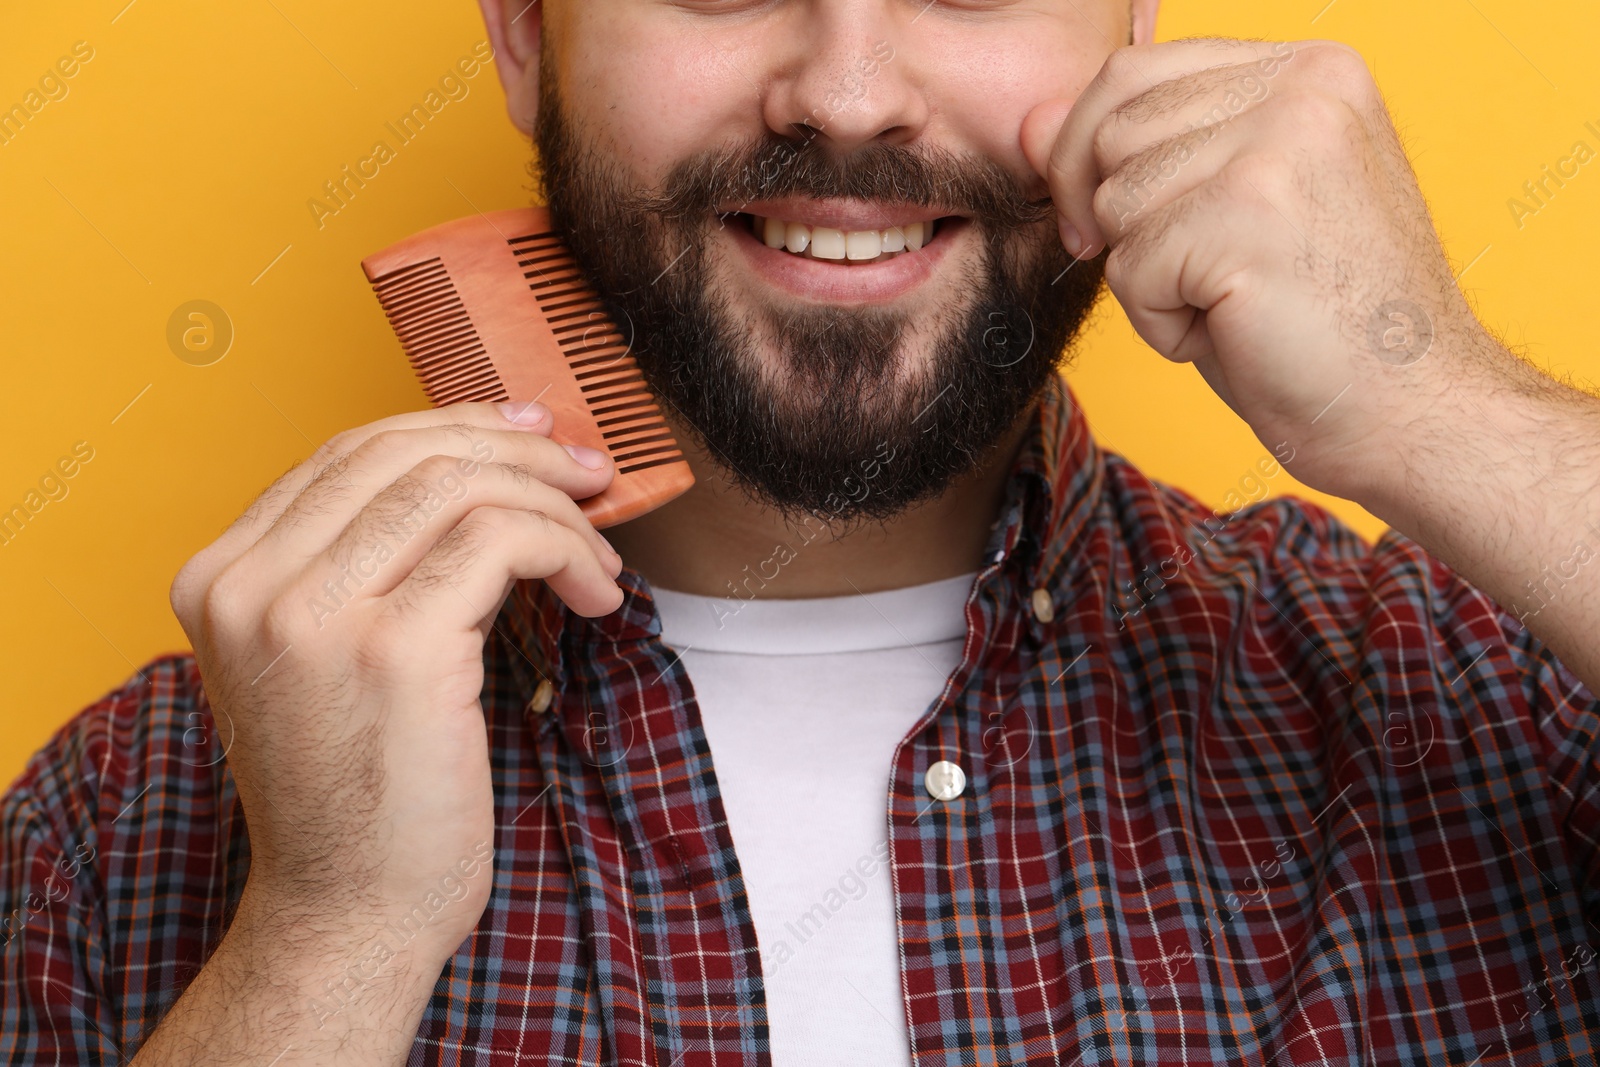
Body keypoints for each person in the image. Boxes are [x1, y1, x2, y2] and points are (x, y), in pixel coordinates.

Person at [4, 0, 1598, 1063]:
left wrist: (1439, 405)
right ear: (519, 38)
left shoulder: (1504, 690)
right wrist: (328, 939)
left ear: (1134, 28)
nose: (844, 96)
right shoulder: (127, 826)